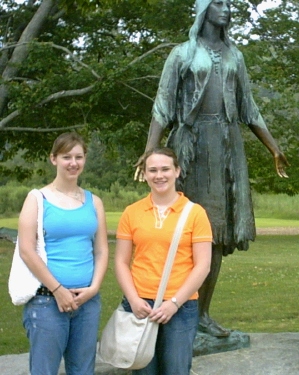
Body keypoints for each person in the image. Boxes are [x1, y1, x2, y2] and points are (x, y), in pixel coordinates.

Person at [134, 0, 289, 337]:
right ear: (204, 10)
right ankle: (172, 309)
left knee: (214, 234)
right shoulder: (182, 54)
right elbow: (162, 106)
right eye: (218, 3)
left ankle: (201, 314)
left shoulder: (235, 56)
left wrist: (273, 147)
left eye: (229, 3)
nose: (227, 9)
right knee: (181, 230)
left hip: (227, 147)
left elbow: (249, 108)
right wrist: (150, 153)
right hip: (191, 145)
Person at [115, 147, 212, 375]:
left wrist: (174, 303)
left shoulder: (195, 213)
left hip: (180, 306)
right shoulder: (132, 212)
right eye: (153, 170)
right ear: (145, 174)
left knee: (176, 370)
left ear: (177, 171)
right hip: (140, 306)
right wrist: (134, 299)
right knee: (143, 371)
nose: (159, 175)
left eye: (165, 169)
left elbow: (202, 265)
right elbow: (120, 262)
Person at [18, 132, 109, 375]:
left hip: (87, 303)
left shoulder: (94, 201)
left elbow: (101, 250)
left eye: (79, 157)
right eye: (66, 156)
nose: (73, 162)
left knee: (82, 370)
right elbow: (27, 250)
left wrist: (94, 288)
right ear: (53, 159)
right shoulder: (37, 199)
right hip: (47, 302)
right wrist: (58, 290)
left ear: (85, 159)